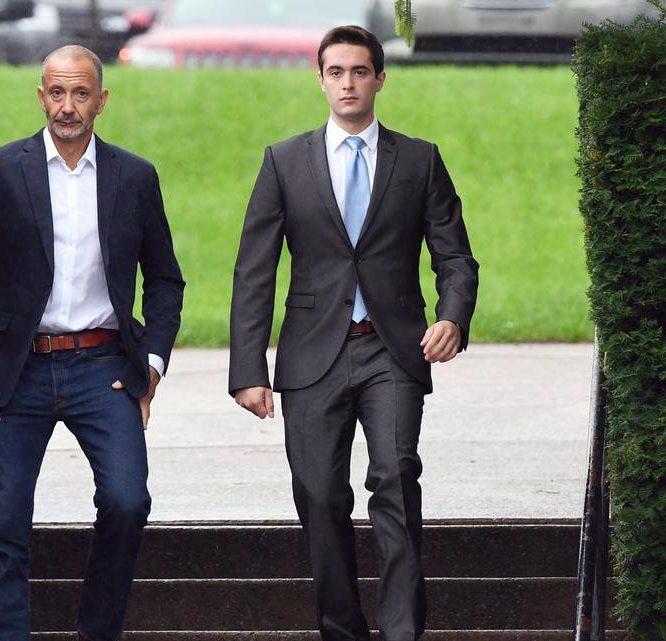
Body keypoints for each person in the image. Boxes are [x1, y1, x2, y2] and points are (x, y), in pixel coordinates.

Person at [228, 25, 479, 641]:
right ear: (320, 79)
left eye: (359, 71)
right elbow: (254, 269)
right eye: (336, 72)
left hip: (392, 349)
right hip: (312, 355)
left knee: (395, 477)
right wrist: (248, 370)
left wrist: (452, 316)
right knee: (318, 497)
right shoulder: (284, 161)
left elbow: (455, 258)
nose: (348, 83)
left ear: (379, 79)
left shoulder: (418, 159)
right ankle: (343, 630)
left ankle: (400, 633)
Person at [0, 45, 184, 641]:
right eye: (56, 92)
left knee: (128, 502)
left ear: (101, 100)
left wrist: (150, 363)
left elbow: (166, 281)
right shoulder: (0, 170)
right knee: (3, 524)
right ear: (41, 95)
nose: (67, 106)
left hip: (105, 368)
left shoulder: (135, 176)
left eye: (80, 94)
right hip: (13, 374)